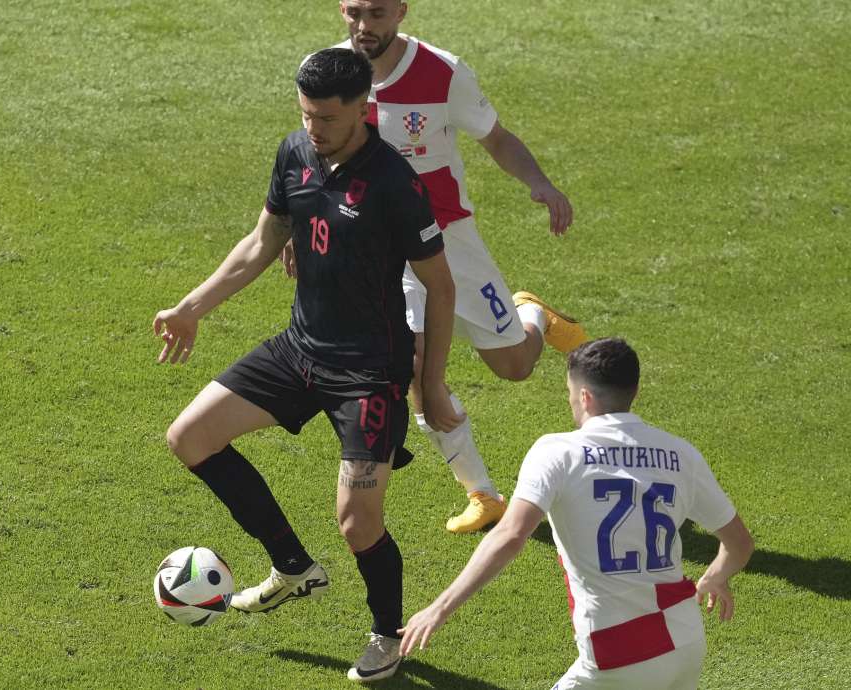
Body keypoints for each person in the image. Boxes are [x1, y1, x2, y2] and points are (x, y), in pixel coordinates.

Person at [156, 48, 458, 684]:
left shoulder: (395, 184)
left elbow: (440, 285)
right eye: (305, 114)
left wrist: (429, 385)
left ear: (362, 108)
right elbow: (262, 243)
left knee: (357, 521)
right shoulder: (295, 152)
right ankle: (293, 568)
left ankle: (387, 636)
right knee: (190, 437)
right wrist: (191, 307)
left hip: (369, 373)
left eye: (326, 118)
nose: (313, 128)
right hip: (299, 350)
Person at [299, 0, 590, 534]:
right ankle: (482, 493)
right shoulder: (329, 72)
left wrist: (540, 184)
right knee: (412, 367)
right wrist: (301, 224)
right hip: (377, 247)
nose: (365, 26)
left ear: (401, 12)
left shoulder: (442, 72)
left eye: (378, 13)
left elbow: (496, 137)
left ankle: (533, 315)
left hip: (447, 239)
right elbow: (316, 152)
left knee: (514, 367)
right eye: (355, 12)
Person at [399, 338, 755, 689]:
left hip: (619, 652)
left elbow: (510, 535)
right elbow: (739, 544)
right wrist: (714, 577)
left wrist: (438, 608)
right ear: (635, 391)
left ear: (584, 397)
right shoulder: (681, 454)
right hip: (685, 640)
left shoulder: (558, 453)